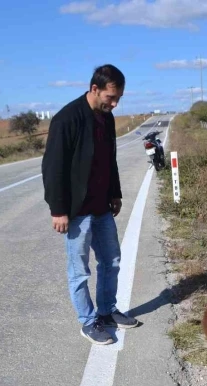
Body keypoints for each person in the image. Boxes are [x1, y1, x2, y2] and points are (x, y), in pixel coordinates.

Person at [41, 64, 139, 345]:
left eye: (119, 97)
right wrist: (57, 209)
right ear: (94, 89)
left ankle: (107, 312)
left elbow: (110, 159)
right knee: (80, 270)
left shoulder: (107, 118)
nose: (115, 103)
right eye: (111, 97)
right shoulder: (67, 119)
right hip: (76, 212)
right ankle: (88, 321)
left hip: (101, 207)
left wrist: (115, 193)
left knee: (111, 262)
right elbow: (53, 168)